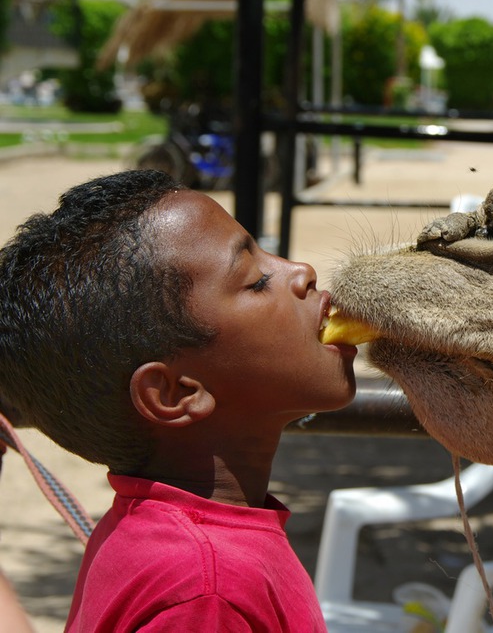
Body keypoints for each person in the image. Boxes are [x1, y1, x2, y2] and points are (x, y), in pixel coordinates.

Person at [0, 170, 358, 631]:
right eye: (255, 280)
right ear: (177, 393)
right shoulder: (208, 591)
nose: (302, 272)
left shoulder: (162, 541)